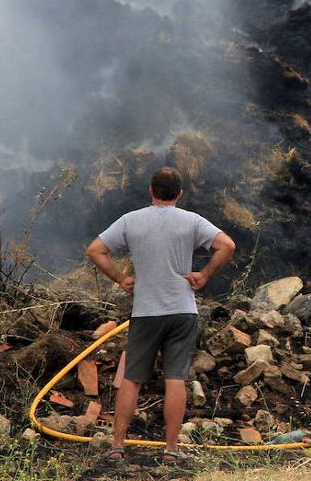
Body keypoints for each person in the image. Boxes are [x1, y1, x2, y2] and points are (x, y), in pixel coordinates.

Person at [86, 167, 235, 463]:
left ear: (151, 191)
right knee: (175, 378)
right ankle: (171, 449)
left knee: (132, 379)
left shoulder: (132, 220)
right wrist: (204, 275)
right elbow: (227, 245)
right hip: (182, 310)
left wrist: (120, 278)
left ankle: (117, 446)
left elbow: (95, 250)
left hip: (146, 311)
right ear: (179, 194)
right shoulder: (192, 221)